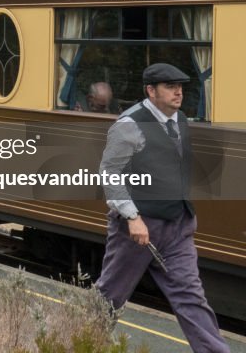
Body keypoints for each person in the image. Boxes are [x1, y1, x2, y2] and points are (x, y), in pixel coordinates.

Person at [95, 63, 229, 353]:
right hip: (138, 228)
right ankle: (77, 343)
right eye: (170, 86)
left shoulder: (179, 119)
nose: (178, 92)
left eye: (180, 86)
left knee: (192, 298)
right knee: (109, 297)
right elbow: (109, 173)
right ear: (150, 91)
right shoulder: (129, 124)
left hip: (177, 227)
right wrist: (132, 217)